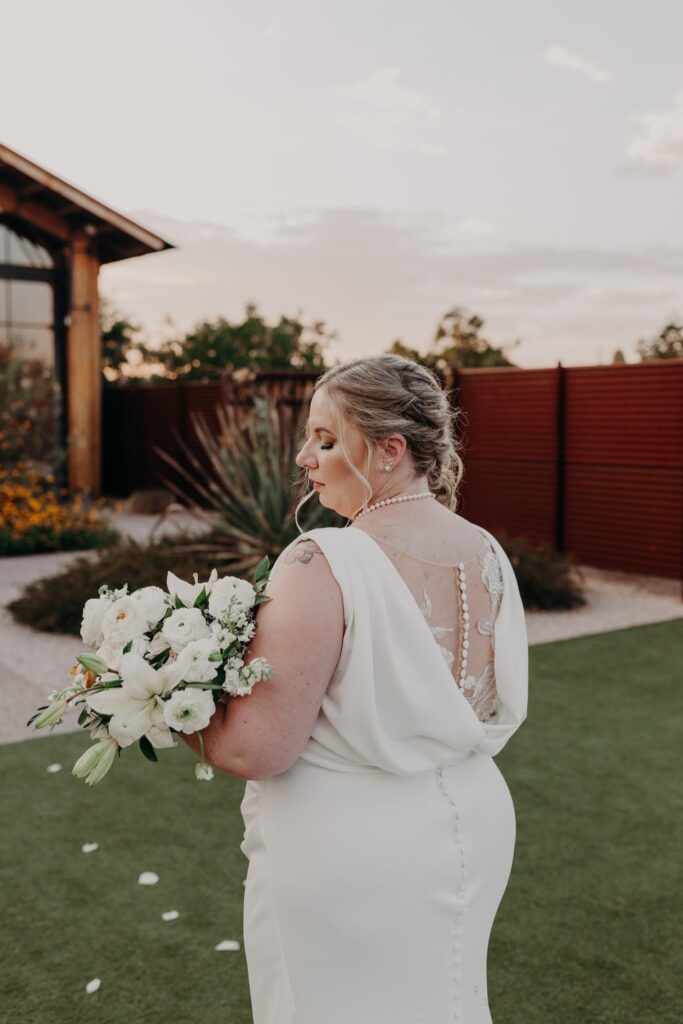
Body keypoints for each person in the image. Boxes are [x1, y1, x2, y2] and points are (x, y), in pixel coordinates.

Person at [192, 354, 528, 1024]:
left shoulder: (321, 560)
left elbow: (255, 749)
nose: (304, 459)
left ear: (389, 451)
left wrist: (162, 697)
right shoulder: (486, 551)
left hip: (352, 852)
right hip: (475, 822)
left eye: (324, 440)